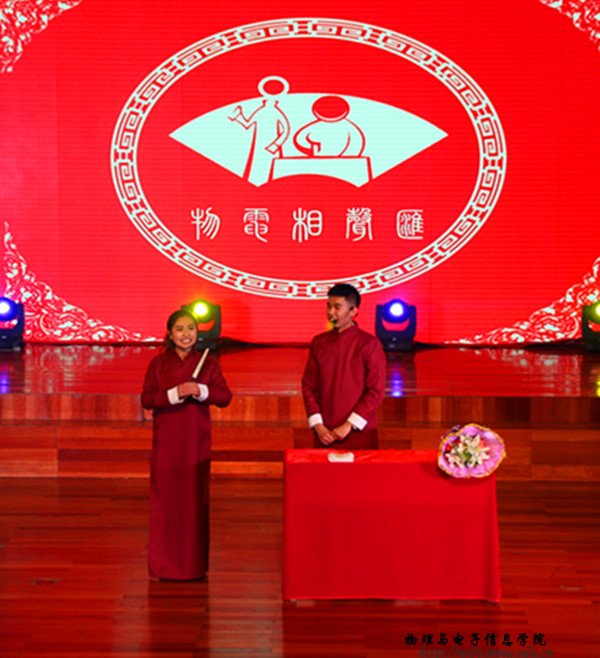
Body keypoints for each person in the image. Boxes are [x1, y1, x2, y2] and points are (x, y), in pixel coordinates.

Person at [141, 309, 232, 580]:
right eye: (179, 329)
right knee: (166, 501)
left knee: (193, 501)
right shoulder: (158, 364)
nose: (186, 334)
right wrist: (174, 394)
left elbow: (225, 397)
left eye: (191, 328)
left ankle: (193, 566)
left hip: (195, 442)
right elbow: (147, 399)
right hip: (167, 443)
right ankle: (164, 565)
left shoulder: (208, 364)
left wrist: (200, 391)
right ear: (170, 334)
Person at [301, 283, 386, 450]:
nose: (331, 312)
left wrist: (349, 424)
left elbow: (376, 390)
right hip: (324, 433)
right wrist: (318, 425)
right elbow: (309, 386)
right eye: (329, 306)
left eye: (337, 307)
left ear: (353, 311)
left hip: (359, 433)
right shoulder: (319, 342)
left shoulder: (369, 344)